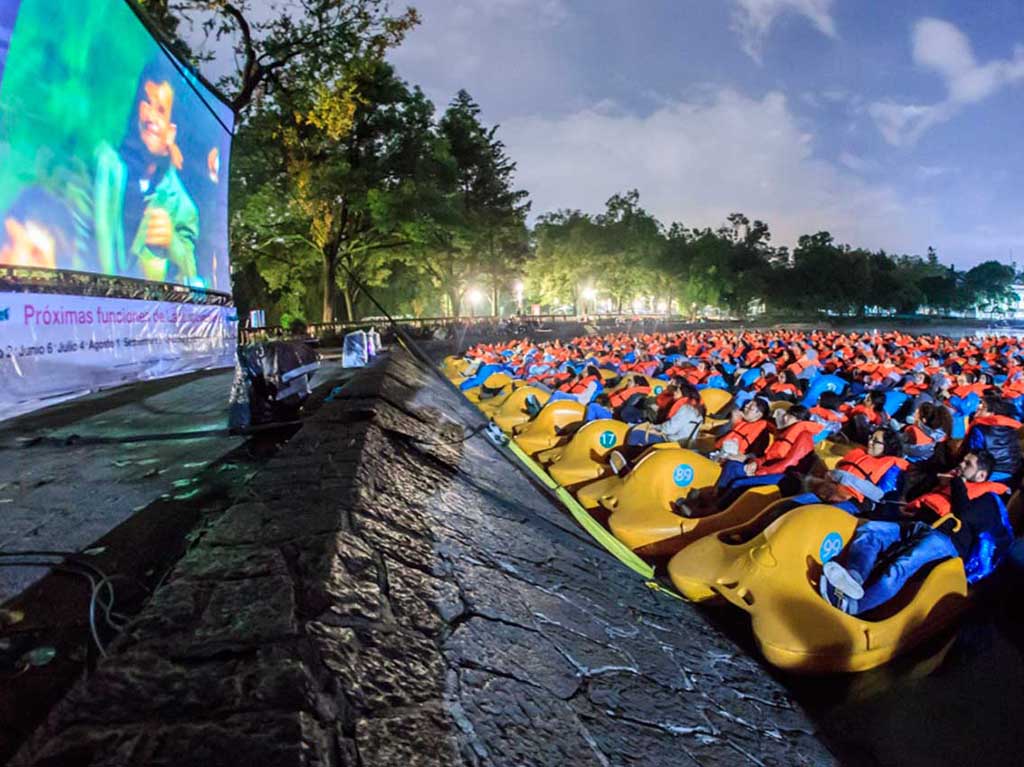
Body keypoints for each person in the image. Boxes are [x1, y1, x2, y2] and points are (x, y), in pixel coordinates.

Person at [819, 450, 1014, 614]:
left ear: (981, 475)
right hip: (918, 526)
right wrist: (936, 482)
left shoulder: (987, 500)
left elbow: (963, 514)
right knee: (871, 530)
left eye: (968, 463)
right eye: (962, 461)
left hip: (946, 540)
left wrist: (956, 483)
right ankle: (853, 578)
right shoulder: (948, 483)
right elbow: (914, 495)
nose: (961, 464)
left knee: (900, 566)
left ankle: (853, 607)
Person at [94, 58, 200, 285]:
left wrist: (171, 241)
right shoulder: (104, 165)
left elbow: (192, 275)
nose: (149, 116)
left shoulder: (183, 206)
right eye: (145, 102)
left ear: (171, 133)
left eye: (160, 110)